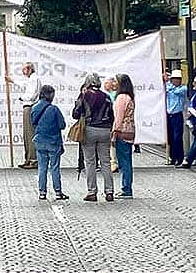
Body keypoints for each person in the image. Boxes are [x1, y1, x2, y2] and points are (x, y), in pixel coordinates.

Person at [72, 73, 114, 202]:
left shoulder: (85, 95)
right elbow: (112, 116)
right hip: (105, 130)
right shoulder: (106, 97)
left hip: (89, 130)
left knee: (90, 162)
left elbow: (75, 114)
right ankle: (109, 191)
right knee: (106, 162)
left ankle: (92, 192)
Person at [32, 85, 68, 201]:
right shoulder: (54, 109)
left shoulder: (34, 108)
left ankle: (42, 192)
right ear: (50, 95)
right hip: (53, 142)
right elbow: (62, 125)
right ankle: (58, 192)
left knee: (42, 168)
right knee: (54, 167)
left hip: (40, 141)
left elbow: (33, 123)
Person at [6, 62, 42, 169]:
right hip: (27, 106)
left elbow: (32, 95)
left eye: (24, 69)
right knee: (27, 134)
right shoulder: (31, 79)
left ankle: (33, 159)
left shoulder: (34, 79)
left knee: (30, 133)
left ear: (30, 69)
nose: (23, 72)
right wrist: (12, 81)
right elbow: (23, 84)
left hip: (30, 106)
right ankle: (28, 158)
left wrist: (22, 97)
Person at [112, 74, 136, 199]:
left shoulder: (121, 98)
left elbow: (119, 117)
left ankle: (126, 189)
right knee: (127, 160)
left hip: (122, 131)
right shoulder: (129, 97)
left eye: (116, 81)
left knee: (124, 162)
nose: (114, 83)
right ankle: (127, 187)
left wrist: (114, 131)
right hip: (130, 130)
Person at [165, 69, 187, 165]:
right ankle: (172, 157)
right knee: (170, 137)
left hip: (177, 115)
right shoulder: (169, 87)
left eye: (178, 79)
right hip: (169, 115)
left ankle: (179, 158)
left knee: (177, 137)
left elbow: (176, 92)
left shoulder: (183, 88)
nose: (176, 81)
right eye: (174, 79)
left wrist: (168, 83)